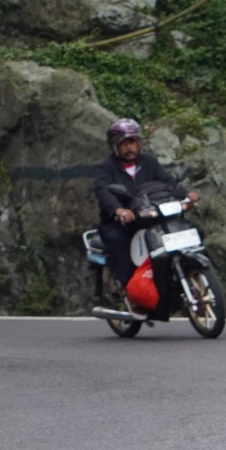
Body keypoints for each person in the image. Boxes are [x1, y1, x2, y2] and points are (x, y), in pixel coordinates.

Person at [92, 118, 196, 318]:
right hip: (120, 223)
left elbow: (167, 182)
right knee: (120, 242)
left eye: (133, 142)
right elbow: (103, 191)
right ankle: (130, 293)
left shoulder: (148, 162)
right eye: (124, 143)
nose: (129, 147)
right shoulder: (106, 167)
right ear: (115, 146)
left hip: (149, 217)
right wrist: (119, 210)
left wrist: (186, 195)